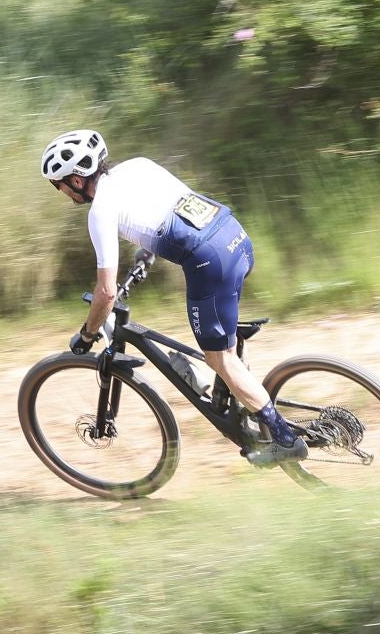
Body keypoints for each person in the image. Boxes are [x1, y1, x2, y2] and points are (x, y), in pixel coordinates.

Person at [40, 128, 307, 465]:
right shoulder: (138, 165)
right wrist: (146, 255)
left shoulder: (99, 211)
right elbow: (173, 209)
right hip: (235, 236)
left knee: (218, 358)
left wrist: (87, 334)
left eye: (60, 185)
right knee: (222, 341)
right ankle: (245, 404)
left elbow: (106, 292)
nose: (62, 192)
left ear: (76, 181)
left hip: (210, 261)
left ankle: (284, 439)